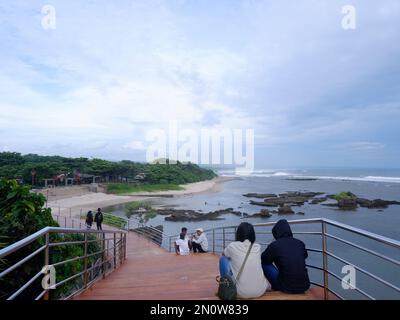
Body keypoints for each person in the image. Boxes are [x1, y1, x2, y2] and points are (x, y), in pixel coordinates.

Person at [219, 222, 271, 299]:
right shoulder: (257, 247)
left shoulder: (232, 246)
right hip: (260, 290)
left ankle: (227, 284)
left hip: (240, 292)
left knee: (223, 259)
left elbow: (223, 254)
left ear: (238, 234)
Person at [261, 219, 310, 294]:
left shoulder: (275, 245)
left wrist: (272, 248)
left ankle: (272, 286)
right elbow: (305, 256)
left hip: (285, 287)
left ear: (276, 232)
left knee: (264, 263)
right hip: (305, 286)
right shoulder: (300, 243)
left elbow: (264, 259)